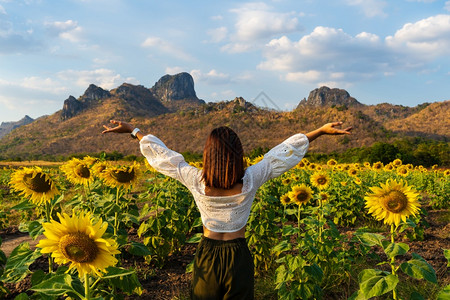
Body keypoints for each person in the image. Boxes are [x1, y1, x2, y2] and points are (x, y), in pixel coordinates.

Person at [102, 120, 352, 300]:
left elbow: (162, 156)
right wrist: (319, 131)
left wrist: (133, 130)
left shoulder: (196, 180)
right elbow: (281, 154)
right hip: (238, 256)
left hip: (207, 253)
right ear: (238, 154)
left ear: (208, 155)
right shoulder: (251, 178)